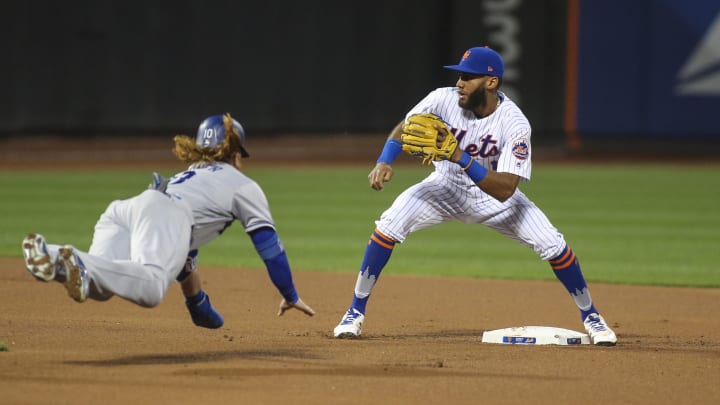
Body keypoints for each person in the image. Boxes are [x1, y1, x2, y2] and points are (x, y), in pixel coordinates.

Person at [332, 47, 617, 346]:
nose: (459, 83)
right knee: (388, 226)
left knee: (552, 244)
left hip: (493, 197)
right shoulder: (443, 98)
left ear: (491, 83)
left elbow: (506, 189)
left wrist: (460, 156)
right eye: (459, 75)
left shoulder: (514, 123)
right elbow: (408, 126)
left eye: (468, 77)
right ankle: (354, 311)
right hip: (444, 186)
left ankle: (591, 316)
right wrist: (385, 159)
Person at [22, 113, 315, 328]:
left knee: (98, 288)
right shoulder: (243, 185)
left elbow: (183, 257)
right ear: (236, 154)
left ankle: (52, 256)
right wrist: (289, 293)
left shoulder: (192, 176)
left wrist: (198, 304)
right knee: (150, 289)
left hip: (127, 210)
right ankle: (75, 259)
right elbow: (269, 248)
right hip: (164, 215)